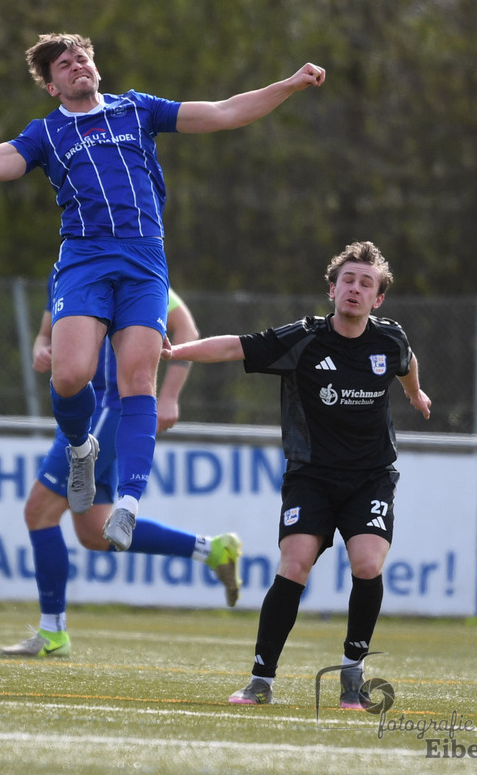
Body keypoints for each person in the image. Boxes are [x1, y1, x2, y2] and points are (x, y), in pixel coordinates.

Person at [0, 33, 325, 551]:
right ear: (52, 85)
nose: (77, 65)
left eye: (82, 57)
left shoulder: (137, 109)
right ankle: (81, 447)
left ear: (96, 67)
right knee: (69, 376)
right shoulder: (45, 134)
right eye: (64, 64)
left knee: (138, 381)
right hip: (85, 259)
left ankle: (128, 503)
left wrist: (288, 85)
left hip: (145, 260)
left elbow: (223, 112)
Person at [161, 240, 431, 708]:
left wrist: (415, 392)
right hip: (312, 476)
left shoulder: (390, 339)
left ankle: (352, 672)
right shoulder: (303, 339)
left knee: (368, 565)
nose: (355, 288)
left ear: (378, 299)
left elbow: (406, 363)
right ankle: (260, 680)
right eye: (347, 280)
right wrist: (175, 351)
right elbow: (234, 346)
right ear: (332, 290)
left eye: (366, 283)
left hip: (370, 477)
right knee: (295, 564)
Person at [1, 277, 242, 658]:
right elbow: (46, 334)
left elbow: (185, 327)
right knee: (95, 532)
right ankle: (212, 550)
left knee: (39, 511)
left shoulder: (125, 266)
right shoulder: (65, 269)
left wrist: (169, 396)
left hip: (109, 410)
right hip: (80, 411)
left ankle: (52, 632)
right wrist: (41, 349)